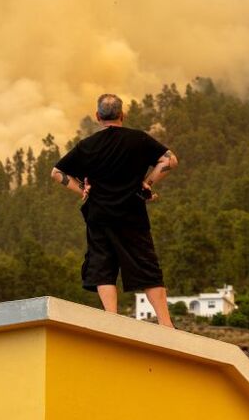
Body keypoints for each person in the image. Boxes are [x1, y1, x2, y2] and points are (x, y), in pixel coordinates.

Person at [51, 93, 179, 327]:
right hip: (133, 213)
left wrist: (83, 190)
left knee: (103, 266)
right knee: (146, 266)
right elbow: (170, 161)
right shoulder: (138, 139)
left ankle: (112, 319)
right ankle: (165, 322)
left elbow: (57, 173)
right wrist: (147, 183)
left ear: (98, 116)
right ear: (122, 115)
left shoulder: (87, 146)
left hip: (99, 216)